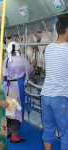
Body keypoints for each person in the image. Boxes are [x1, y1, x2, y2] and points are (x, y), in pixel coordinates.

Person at [41, 15, 68, 150]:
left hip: (46, 96)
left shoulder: (49, 48)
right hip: (61, 97)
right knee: (65, 133)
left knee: (48, 130)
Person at [2, 41, 37, 143]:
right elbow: (30, 70)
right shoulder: (21, 60)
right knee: (17, 109)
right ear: (17, 49)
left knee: (8, 108)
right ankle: (14, 135)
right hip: (16, 87)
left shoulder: (6, 60)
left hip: (6, 87)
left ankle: (7, 131)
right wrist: (34, 64)